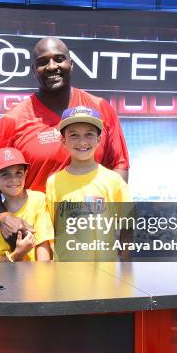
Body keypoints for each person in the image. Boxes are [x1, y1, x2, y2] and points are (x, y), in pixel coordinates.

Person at [0, 36, 129, 241]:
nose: (51, 66)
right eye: (43, 62)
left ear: (71, 64)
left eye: (59, 59)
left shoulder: (100, 109)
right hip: (35, 241)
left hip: (88, 240)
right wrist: (3, 217)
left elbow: (119, 166)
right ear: (33, 70)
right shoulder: (11, 121)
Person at [45, 106, 132, 260]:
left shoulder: (113, 180)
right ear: (63, 140)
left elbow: (127, 227)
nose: (82, 142)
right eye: (74, 135)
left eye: (89, 135)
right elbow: (50, 228)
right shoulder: (54, 182)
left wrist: (125, 264)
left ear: (99, 140)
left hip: (105, 276)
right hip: (65, 275)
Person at [0, 147, 53, 262]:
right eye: (5, 175)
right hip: (14, 279)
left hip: (40, 277)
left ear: (25, 174)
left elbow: (43, 243)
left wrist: (43, 275)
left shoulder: (38, 200)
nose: (14, 179)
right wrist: (19, 253)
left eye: (18, 173)